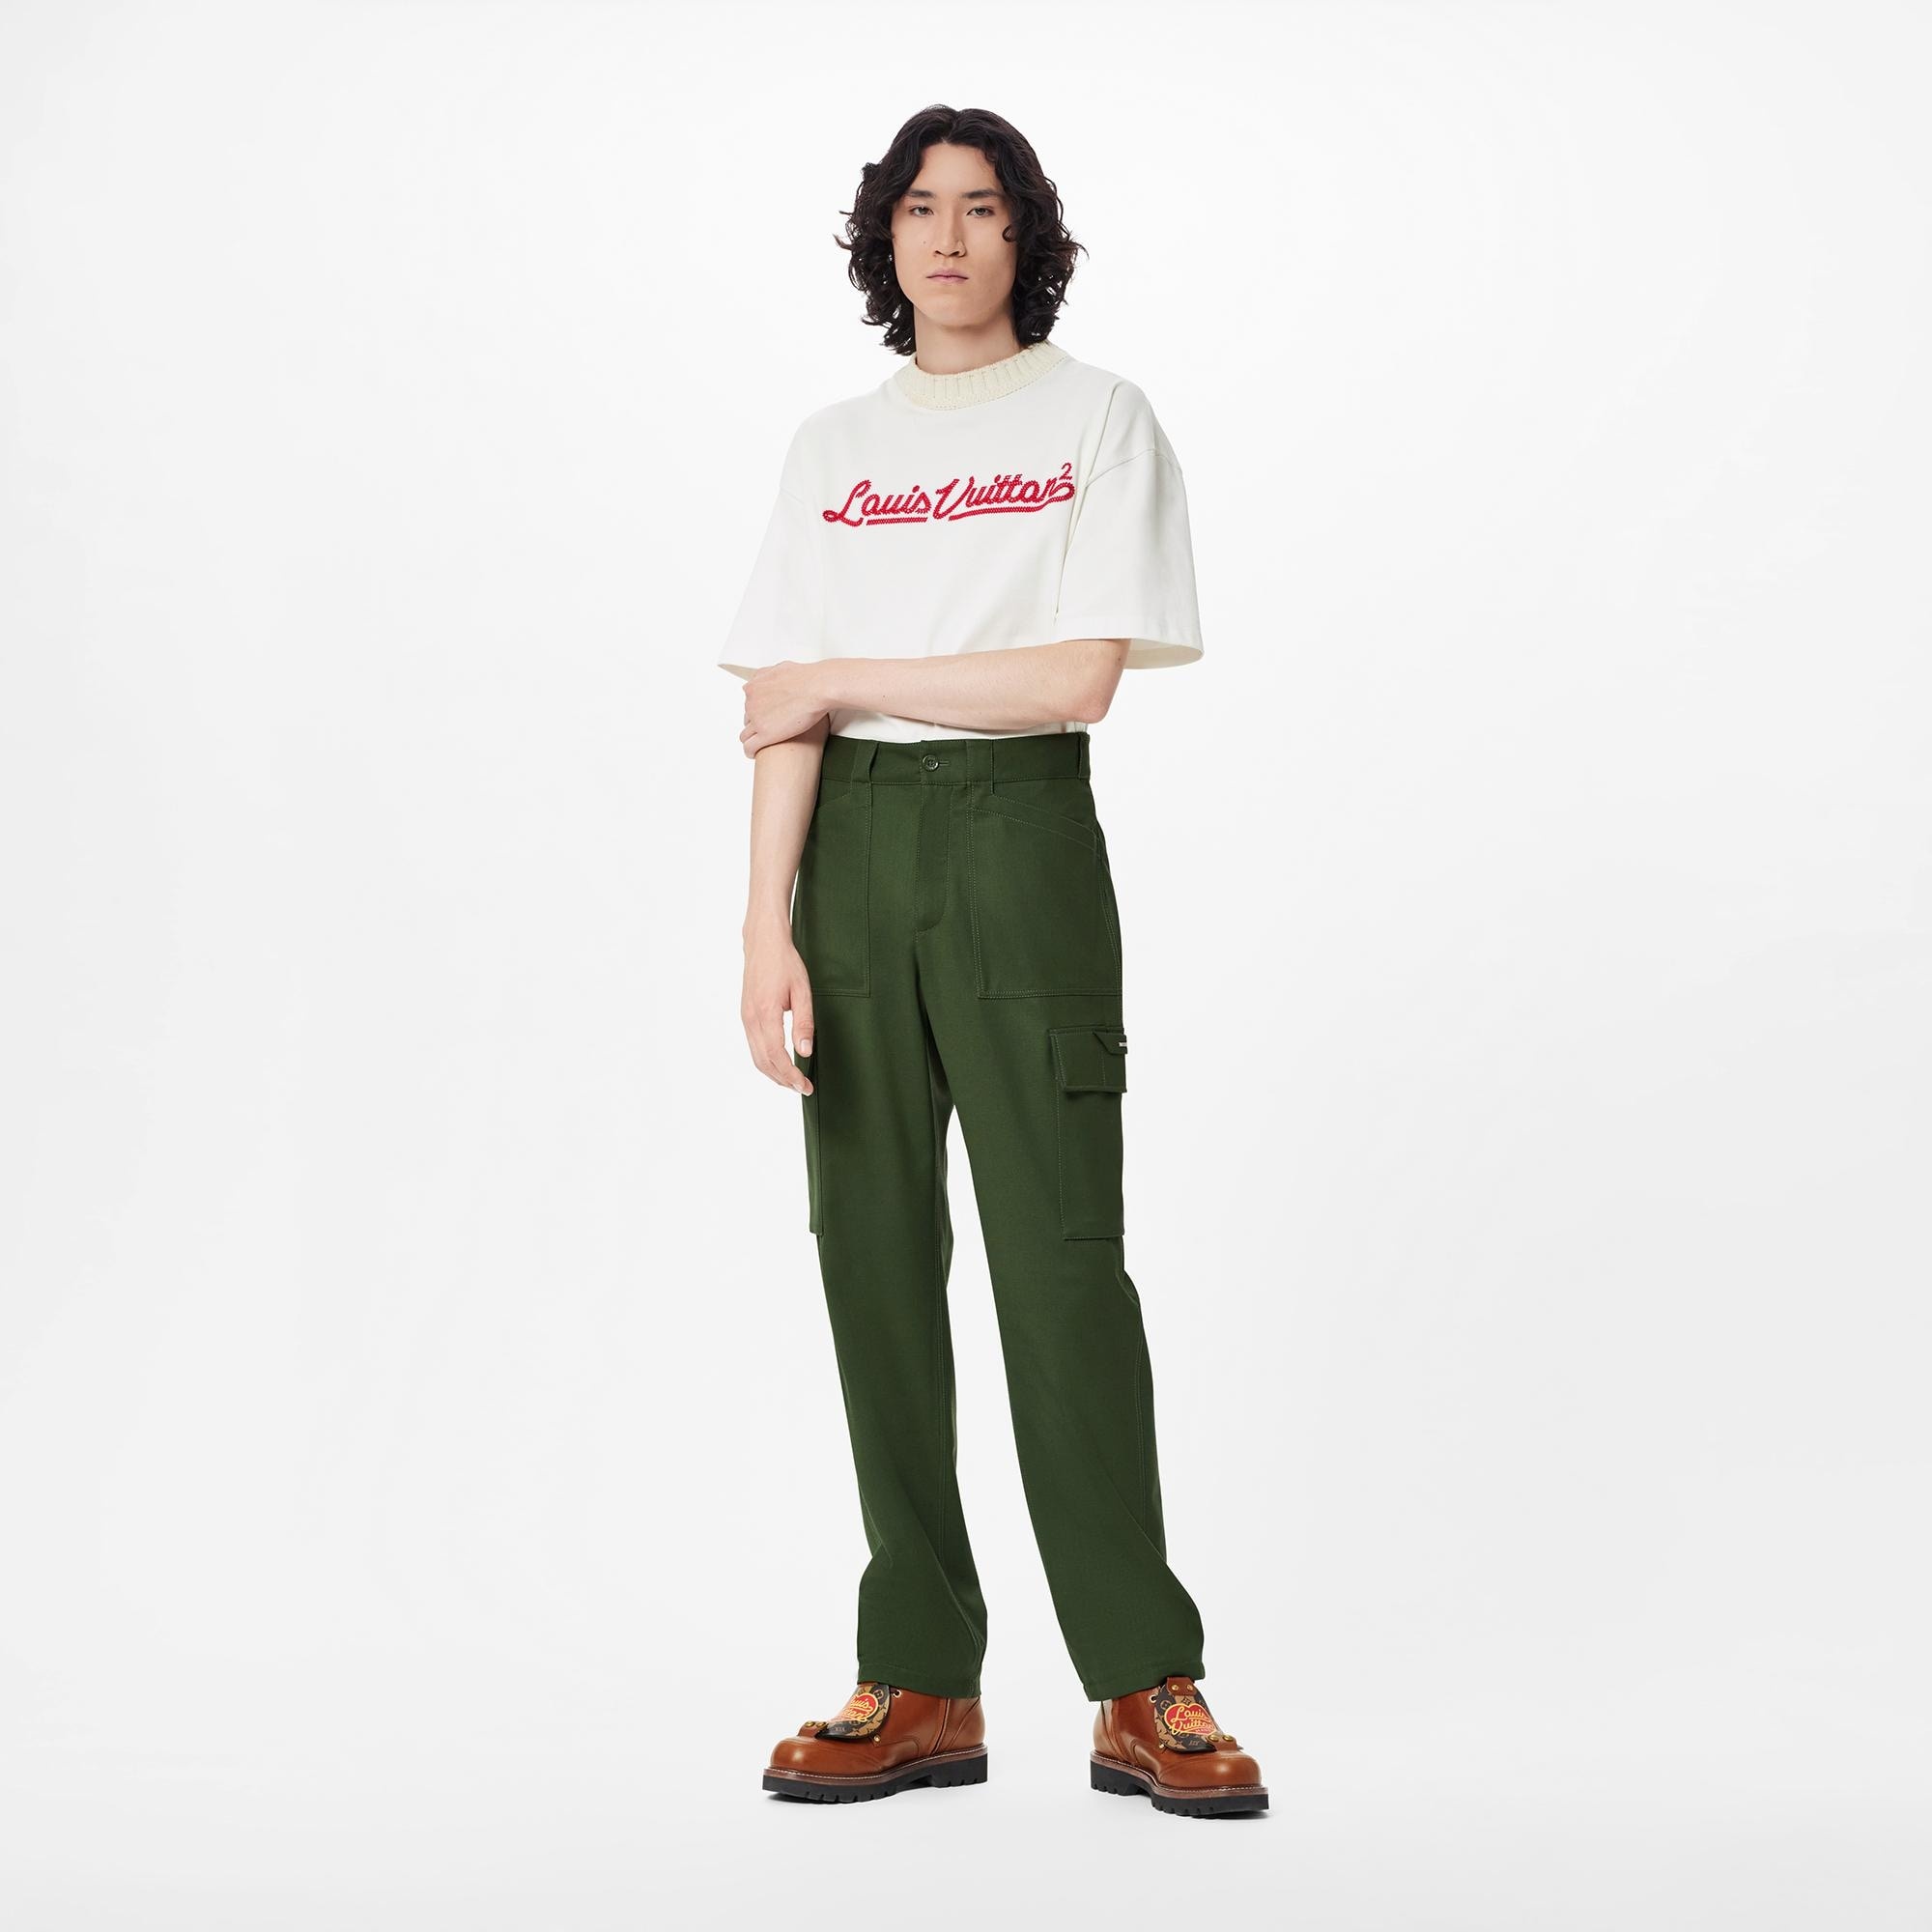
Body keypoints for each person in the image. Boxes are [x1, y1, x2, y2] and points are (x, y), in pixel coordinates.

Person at [717, 103, 1267, 1820]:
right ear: (881, 240)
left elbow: (1074, 678)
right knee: (872, 1265)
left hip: (1022, 845)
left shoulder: (1097, 418)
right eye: (917, 209)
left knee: (1061, 1266)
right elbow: (780, 709)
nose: (947, 238)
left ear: (1029, 236)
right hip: (849, 861)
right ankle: (919, 1680)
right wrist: (765, 926)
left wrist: (844, 676)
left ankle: (1143, 1678)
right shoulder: (831, 448)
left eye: (981, 209)